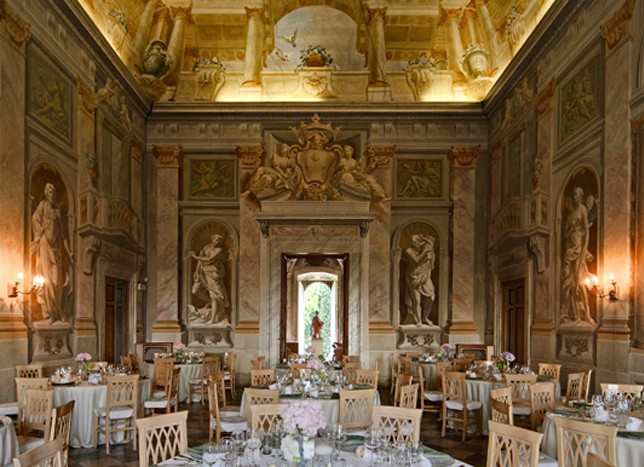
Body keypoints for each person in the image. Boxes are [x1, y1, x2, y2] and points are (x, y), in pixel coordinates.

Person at [31, 182, 73, 322]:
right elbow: (34, 220)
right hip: (44, 246)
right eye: (50, 192)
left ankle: (57, 311)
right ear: (45, 193)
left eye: (54, 192)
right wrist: (39, 232)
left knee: (56, 282)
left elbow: (63, 235)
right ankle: (50, 313)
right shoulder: (42, 206)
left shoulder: (57, 211)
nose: (52, 195)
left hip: (56, 250)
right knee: (47, 282)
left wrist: (69, 252)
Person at [560, 186, 595, 325]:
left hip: (579, 249)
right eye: (574, 194)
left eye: (578, 194)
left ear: (581, 196)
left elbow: (586, 231)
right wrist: (571, 227)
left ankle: (587, 315)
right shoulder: (569, 215)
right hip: (570, 250)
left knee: (580, 284)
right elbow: (566, 235)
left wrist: (583, 251)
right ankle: (575, 315)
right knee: (572, 285)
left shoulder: (582, 209)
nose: (575, 196)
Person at [189, 234, 230, 324]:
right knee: (195, 291)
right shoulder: (206, 247)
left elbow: (209, 259)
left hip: (214, 273)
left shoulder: (219, 250)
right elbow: (201, 260)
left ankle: (213, 318)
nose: (218, 242)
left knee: (214, 296)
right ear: (212, 239)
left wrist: (195, 257)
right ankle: (210, 303)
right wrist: (197, 271)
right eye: (216, 239)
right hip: (203, 271)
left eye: (219, 240)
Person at [403, 234, 436, 326]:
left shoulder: (425, 249)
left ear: (420, 241)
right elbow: (416, 261)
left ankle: (425, 317)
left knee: (431, 298)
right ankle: (418, 320)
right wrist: (426, 251)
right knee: (417, 300)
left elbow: (432, 265)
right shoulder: (409, 250)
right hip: (413, 277)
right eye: (412, 242)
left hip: (425, 276)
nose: (415, 243)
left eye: (416, 241)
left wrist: (431, 254)